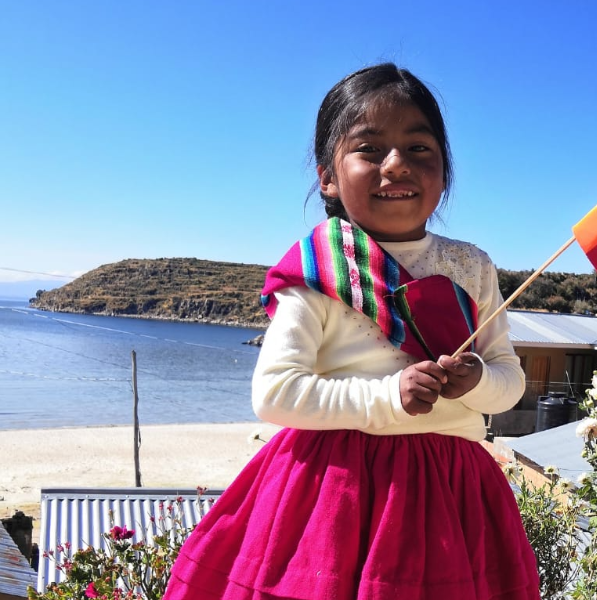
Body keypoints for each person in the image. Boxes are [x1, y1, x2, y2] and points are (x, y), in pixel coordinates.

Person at [164, 63, 540, 600]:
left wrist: (476, 378)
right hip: (334, 493)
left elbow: (510, 380)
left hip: (452, 493)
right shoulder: (319, 268)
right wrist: (390, 396)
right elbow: (275, 394)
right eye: (369, 149)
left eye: (418, 149)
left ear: (445, 170)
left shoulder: (471, 266)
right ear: (328, 176)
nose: (396, 166)